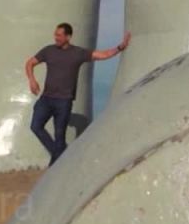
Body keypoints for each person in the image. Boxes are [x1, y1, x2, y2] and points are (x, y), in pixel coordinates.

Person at [25, 22, 130, 165]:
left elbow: (102, 55)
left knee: (59, 136)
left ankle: (56, 166)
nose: (56, 38)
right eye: (55, 34)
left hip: (64, 101)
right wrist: (32, 80)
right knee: (35, 126)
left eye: (59, 35)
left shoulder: (78, 53)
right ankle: (58, 155)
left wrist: (120, 47)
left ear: (68, 37)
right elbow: (30, 63)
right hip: (47, 98)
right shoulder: (48, 51)